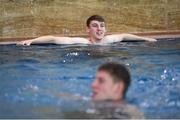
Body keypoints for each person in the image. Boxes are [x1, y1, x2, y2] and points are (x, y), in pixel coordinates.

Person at [17, 15, 156, 46]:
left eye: (102, 25)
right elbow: (54, 39)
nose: (100, 28)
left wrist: (145, 39)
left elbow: (124, 36)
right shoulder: (83, 42)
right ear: (88, 29)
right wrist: (31, 41)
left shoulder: (108, 40)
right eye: (95, 25)